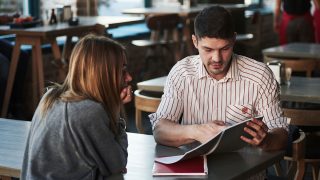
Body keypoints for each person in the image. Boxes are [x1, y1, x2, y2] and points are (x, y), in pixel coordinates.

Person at [150, 6, 288, 152]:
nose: (217, 58)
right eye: (208, 50)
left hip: (247, 171)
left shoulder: (260, 75)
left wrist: (266, 140)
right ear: (195, 41)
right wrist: (197, 131)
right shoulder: (182, 72)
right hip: (194, 170)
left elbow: (282, 134)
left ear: (234, 39)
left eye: (224, 48)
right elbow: (160, 131)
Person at [21, 34, 133, 179]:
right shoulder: (90, 112)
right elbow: (118, 163)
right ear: (101, 73)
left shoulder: (49, 97)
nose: (129, 77)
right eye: (122, 69)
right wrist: (116, 110)